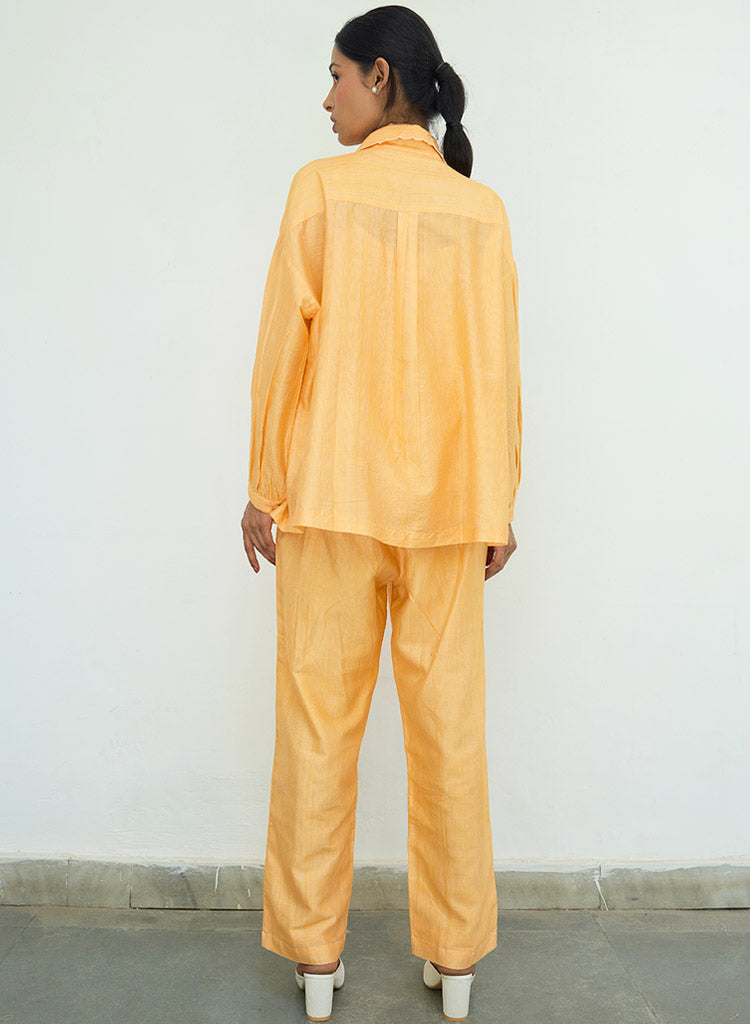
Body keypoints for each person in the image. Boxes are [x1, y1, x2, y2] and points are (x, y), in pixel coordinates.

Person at [240, 6, 521, 1020]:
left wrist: (264, 485)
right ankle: (456, 960)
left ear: (381, 77)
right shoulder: (479, 211)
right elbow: (499, 366)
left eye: (336, 76)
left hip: (331, 500)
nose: (327, 98)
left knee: (318, 728)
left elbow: (285, 346)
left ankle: (318, 961)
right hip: (449, 510)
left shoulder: (321, 191)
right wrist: (498, 501)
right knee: (450, 735)